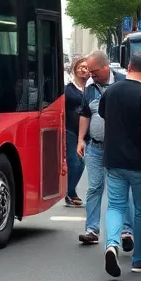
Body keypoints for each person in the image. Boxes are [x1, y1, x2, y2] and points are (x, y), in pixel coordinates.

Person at [98, 49, 141, 277]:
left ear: (128, 67)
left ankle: (111, 244)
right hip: (139, 164)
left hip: (114, 160)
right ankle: (139, 260)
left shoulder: (111, 91)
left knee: (116, 205)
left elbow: (104, 115)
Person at [75, 51, 134, 249]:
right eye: (89, 72)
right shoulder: (90, 88)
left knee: (120, 191)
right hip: (95, 147)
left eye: (94, 71)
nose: (90, 75)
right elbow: (85, 114)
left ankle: (126, 231)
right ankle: (92, 230)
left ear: (106, 68)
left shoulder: (124, 83)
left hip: (119, 148)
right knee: (94, 188)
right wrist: (81, 139)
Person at [64, 56, 89, 207]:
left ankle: (70, 192)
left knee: (81, 163)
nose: (83, 69)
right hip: (70, 130)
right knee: (76, 162)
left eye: (86, 67)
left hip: (86, 131)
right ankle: (69, 192)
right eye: (80, 66)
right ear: (74, 69)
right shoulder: (68, 89)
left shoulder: (91, 89)